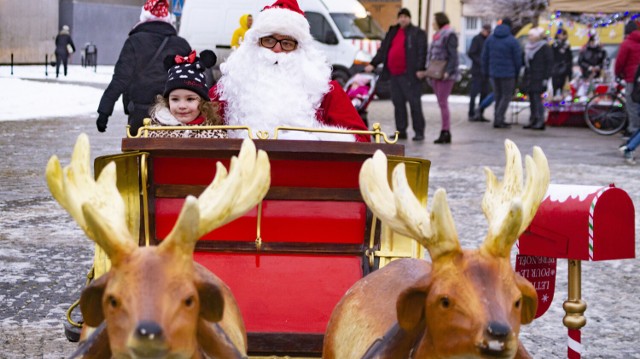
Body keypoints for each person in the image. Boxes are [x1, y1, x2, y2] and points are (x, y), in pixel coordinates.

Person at [211, 0, 370, 142]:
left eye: (287, 43)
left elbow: (361, 140)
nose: (277, 49)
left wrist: (314, 141)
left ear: (300, 49)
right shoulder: (230, 87)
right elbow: (194, 118)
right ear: (255, 43)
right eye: (269, 40)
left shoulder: (325, 91)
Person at [96, 0, 191, 136]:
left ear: (144, 17)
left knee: (139, 154)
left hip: (140, 115)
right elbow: (192, 81)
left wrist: (104, 112)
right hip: (173, 114)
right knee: (168, 154)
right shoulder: (181, 45)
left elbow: (120, 79)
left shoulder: (134, 42)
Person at [365, 8, 427, 141]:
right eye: (401, 16)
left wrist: (421, 68)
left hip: (410, 75)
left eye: (405, 16)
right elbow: (383, 50)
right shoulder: (392, 31)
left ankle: (419, 132)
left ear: (409, 18)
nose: (403, 19)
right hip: (394, 75)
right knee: (398, 104)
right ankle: (401, 131)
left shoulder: (417, 33)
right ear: (398, 18)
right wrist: (373, 64)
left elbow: (422, 52)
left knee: (414, 103)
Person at [147, 50, 226, 139]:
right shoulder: (154, 133)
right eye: (175, 99)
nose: (182, 106)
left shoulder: (215, 135)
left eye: (190, 99)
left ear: (203, 102)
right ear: (167, 101)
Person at [419, 12, 459, 144]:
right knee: (441, 103)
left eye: (434, 21)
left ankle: (445, 131)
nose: (432, 23)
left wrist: (448, 71)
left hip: (445, 75)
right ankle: (444, 131)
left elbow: (453, 55)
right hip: (436, 74)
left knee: (443, 103)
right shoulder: (438, 35)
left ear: (440, 21)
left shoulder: (449, 34)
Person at [481, 17, 522, 129]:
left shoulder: (490, 39)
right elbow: (518, 59)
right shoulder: (512, 40)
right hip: (508, 74)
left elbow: (484, 57)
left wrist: (485, 71)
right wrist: (517, 72)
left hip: (493, 73)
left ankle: (498, 118)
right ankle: (499, 118)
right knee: (506, 96)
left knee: (498, 95)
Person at [522, 27, 552, 130]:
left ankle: (540, 120)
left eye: (531, 35)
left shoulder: (544, 47)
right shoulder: (528, 47)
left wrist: (546, 78)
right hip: (530, 76)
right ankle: (533, 119)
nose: (529, 37)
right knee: (532, 99)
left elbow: (549, 63)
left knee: (537, 99)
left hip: (539, 77)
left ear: (537, 37)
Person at [614, 20, 640, 136]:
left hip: (632, 78)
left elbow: (620, 61)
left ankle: (634, 130)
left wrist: (618, 73)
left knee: (632, 105)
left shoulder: (627, 43)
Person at [467, 24, 491, 122]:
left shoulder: (489, 40)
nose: (487, 33)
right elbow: (471, 53)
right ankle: (471, 113)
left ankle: (480, 113)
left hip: (486, 71)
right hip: (477, 71)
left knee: (484, 93)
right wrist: (480, 62)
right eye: (486, 31)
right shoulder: (477, 39)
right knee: (474, 93)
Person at [550, 28, 573, 98]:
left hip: (565, 68)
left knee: (563, 85)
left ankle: (561, 96)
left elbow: (569, 57)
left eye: (563, 34)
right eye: (560, 34)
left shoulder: (567, 45)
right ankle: (555, 95)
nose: (562, 36)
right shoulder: (554, 45)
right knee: (555, 84)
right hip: (555, 68)